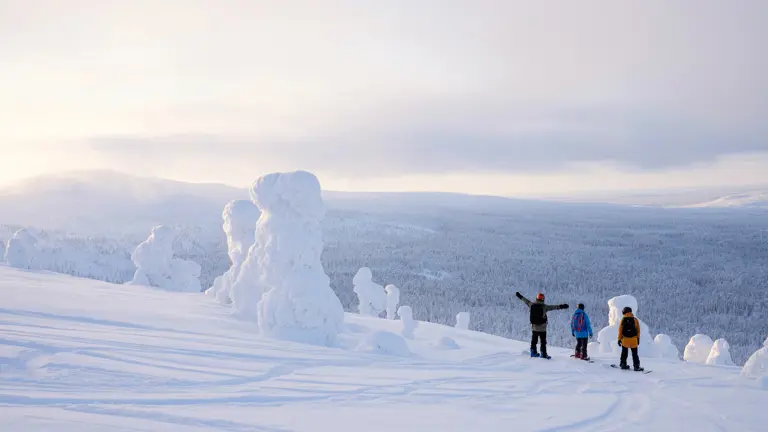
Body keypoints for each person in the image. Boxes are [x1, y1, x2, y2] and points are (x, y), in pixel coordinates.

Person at [515, 291, 569, 359]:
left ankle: (533, 352)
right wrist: (562, 306)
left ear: (537, 298)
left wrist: (519, 296)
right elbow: (554, 307)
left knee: (534, 341)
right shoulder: (544, 307)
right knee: (543, 341)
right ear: (543, 299)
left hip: (534, 327)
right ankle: (543, 354)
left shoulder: (531, 305)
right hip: (542, 328)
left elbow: (525, 301)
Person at [618, 306, 644, 371]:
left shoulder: (623, 320)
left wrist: (619, 339)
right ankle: (636, 366)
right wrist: (638, 339)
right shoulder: (635, 320)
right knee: (635, 354)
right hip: (633, 340)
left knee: (624, 353)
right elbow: (638, 330)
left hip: (625, 340)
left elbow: (620, 331)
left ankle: (623, 364)